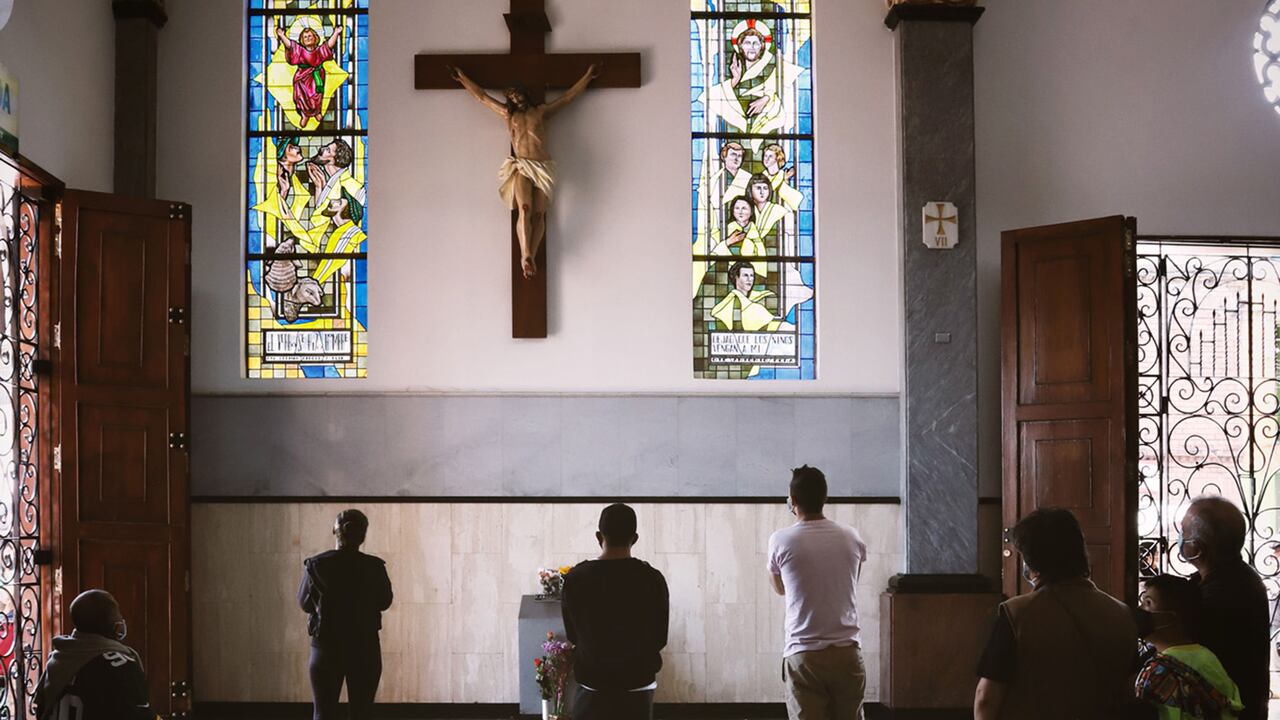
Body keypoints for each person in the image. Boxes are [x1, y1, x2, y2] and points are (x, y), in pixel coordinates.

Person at [974, 508, 1138, 720]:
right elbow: (1129, 687)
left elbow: (986, 696)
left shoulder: (1018, 614)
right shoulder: (1121, 614)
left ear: (1032, 561)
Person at [450, 63, 600, 278]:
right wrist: (464, 79)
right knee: (525, 208)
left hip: (543, 167)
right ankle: (526, 255)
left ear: (524, 94)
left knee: (539, 215)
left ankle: (532, 254)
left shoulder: (541, 112)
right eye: (511, 96)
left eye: (518, 94)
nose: (515, 98)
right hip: (521, 165)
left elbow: (567, 98)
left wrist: (586, 78)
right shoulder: (508, 116)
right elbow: (482, 97)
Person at [767, 465, 868, 720]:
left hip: (804, 654)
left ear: (793, 501)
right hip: (847, 652)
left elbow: (780, 589)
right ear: (825, 498)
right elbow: (851, 581)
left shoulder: (781, 540)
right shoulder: (851, 537)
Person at [561, 503, 669, 720]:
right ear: (635, 538)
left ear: (599, 536)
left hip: (593, 682)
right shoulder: (652, 579)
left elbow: (573, 635)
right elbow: (659, 637)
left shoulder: (576, 578)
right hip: (637, 681)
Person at [1179, 497, 1271, 720]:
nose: (1180, 537)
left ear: (1198, 548)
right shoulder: (1235, 578)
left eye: (1183, 531)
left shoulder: (1224, 593)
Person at [299, 509, 394, 720]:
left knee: (323, 712)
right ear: (362, 535)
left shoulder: (316, 565)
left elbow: (304, 603)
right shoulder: (374, 566)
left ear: (335, 530)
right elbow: (385, 601)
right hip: (365, 647)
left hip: (325, 647)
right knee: (362, 712)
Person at [33, 589, 157, 720]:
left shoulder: (57, 660)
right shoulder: (121, 665)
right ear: (115, 626)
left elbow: (41, 711)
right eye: (118, 614)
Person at [1134, 574, 1244, 720]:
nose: (1140, 609)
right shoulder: (1208, 658)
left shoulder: (1156, 674)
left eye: (1148, 603)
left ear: (1172, 618)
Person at [276, 20, 344, 127]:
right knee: (301, 97)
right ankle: (305, 115)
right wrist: (281, 35)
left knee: (317, 97)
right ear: (302, 40)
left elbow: (329, 45)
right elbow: (290, 46)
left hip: (316, 77)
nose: (308, 38)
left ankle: (316, 112)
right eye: (305, 37)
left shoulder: (319, 51)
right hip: (301, 79)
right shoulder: (299, 50)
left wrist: (336, 32)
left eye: (310, 36)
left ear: (315, 38)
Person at [711, 261, 779, 332]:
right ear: (736, 277)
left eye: (751, 275)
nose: (749, 279)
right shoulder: (728, 304)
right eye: (745, 275)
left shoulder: (762, 296)